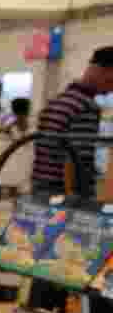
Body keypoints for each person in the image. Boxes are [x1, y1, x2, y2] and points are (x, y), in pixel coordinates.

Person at [31, 46, 113, 199]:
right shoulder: (86, 107)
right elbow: (75, 160)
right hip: (64, 196)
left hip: (40, 190)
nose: (111, 90)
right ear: (104, 71)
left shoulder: (57, 101)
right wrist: (76, 199)